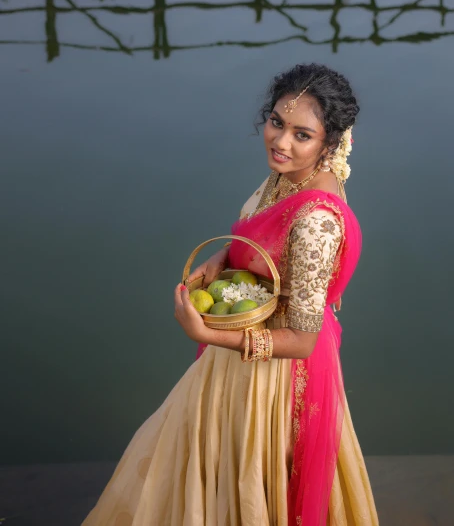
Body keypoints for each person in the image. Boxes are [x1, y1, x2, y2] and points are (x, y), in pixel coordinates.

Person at [82, 63, 379, 526]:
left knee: (254, 484)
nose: (281, 142)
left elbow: (301, 340)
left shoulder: (316, 222)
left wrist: (203, 332)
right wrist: (225, 259)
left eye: (302, 134)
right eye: (277, 122)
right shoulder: (290, 176)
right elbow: (263, 239)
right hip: (244, 345)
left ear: (329, 144)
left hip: (273, 380)